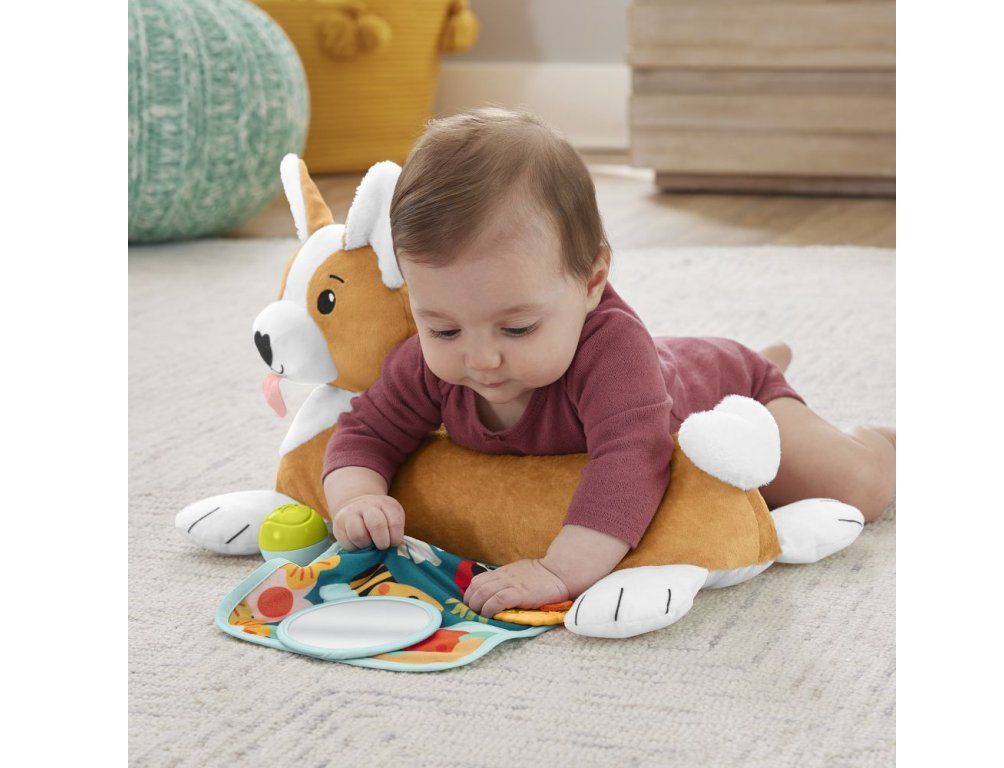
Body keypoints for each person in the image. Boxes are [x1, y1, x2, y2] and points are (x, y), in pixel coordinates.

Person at [321, 107, 896, 618]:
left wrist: (559, 571)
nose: (481, 358)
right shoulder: (427, 363)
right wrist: (358, 498)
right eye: (443, 329)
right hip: (662, 372)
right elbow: (365, 431)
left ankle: (877, 437)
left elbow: (632, 461)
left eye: (518, 328)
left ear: (592, 281)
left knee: (854, 489)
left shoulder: (613, 353)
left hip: (729, 390)